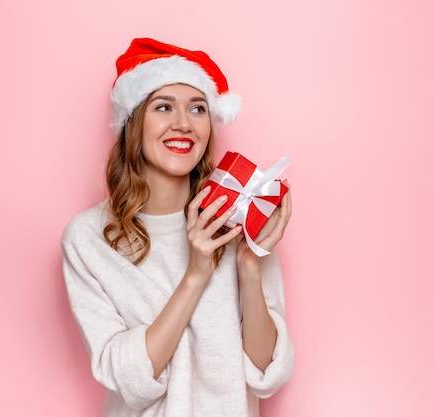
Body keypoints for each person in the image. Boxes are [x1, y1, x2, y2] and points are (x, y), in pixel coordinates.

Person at [62, 37, 294, 417]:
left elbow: (267, 372)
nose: (183, 124)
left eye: (198, 108)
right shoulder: (87, 239)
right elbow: (128, 377)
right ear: (133, 122)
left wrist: (251, 265)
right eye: (163, 106)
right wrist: (196, 274)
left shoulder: (237, 217)